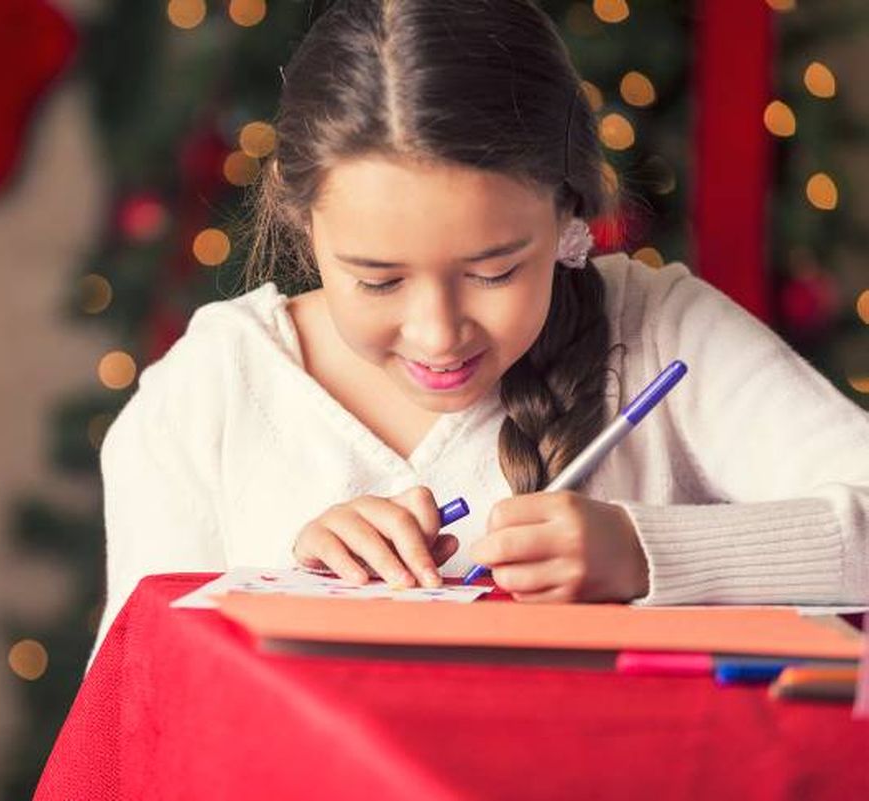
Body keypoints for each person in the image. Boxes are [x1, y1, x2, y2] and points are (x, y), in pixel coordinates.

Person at [91, 0, 869, 660]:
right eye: (378, 279)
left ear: (569, 215)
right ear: (306, 228)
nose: (437, 334)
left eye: (495, 271)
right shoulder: (210, 393)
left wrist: (646, 552)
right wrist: (278, 584)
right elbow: (143, 703)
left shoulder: (662, 331)